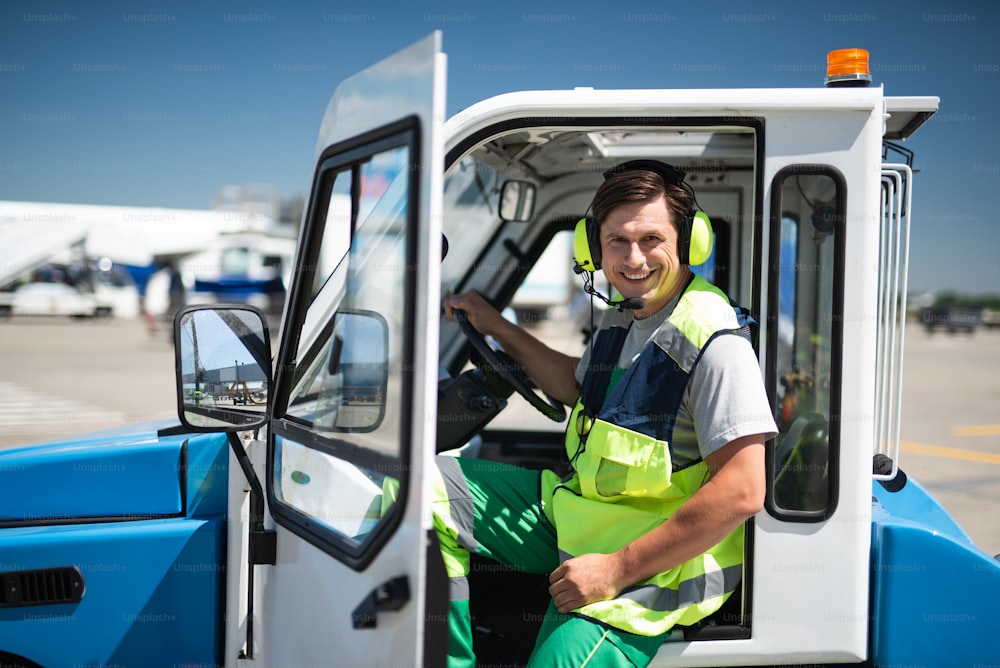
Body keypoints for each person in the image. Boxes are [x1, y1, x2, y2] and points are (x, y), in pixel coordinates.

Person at [436, 160, 778, 667]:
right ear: (594, 249)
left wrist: (615, 569)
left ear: (689, 243)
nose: (633, 257)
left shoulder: (714, 341)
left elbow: (743, 489)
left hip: (654, 570)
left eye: (651, 239)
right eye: (617, 240)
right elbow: (579, 387)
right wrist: (497, 326)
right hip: (584, 518)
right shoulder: (629, 318)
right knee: (423, 488)